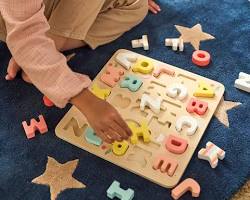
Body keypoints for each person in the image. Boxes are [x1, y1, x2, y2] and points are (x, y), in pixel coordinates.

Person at [0, 0, 161, 143]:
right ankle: (34, 54)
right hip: (11, 18)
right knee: (28, 43)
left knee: (136, 6)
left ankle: (38, 53)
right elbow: (22, 26)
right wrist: (85, 100)